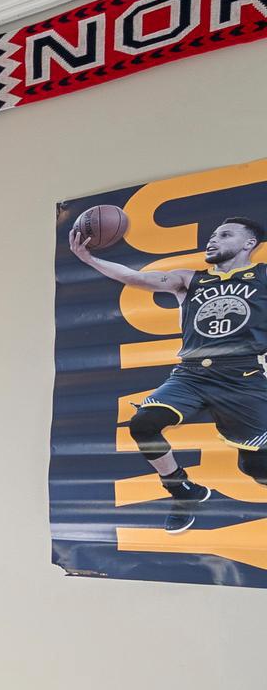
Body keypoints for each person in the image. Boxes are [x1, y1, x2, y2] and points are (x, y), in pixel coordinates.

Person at [69, 216, 267, 532]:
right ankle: (181, 490)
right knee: (143, 424)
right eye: (212, 234)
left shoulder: (262, 276)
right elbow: (135, 278)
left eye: (225, 234)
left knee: (257, 467)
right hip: (191, 374)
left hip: (242, 375)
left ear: (249, 244)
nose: (213, 239)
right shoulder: (189, 280)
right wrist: (89, 258)